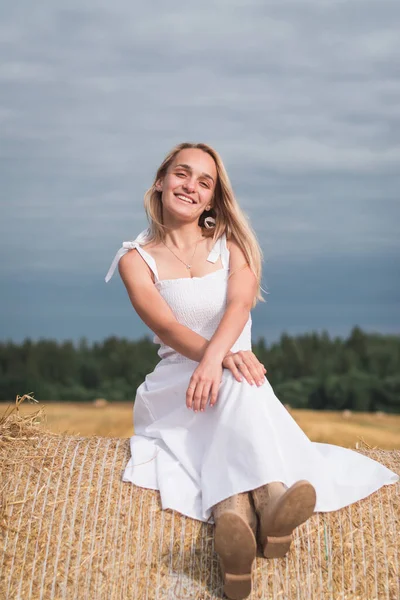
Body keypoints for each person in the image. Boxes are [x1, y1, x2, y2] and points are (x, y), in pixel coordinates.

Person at [105, 142, 399, 600]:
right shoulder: (134, 259)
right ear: (161, 180)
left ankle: (234, 531)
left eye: (205, 182)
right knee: (240, 380)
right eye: (182, 175)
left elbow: (240, 304)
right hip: (177, 386)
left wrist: (219, 359)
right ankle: (271, 501)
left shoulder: (232, 244)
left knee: (240, 384)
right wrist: (217, 361)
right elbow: (164, 324)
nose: (191, 187)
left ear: (212, 197)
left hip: (235, 374)